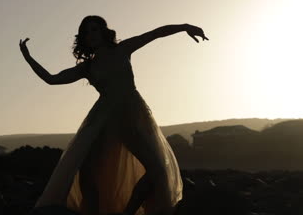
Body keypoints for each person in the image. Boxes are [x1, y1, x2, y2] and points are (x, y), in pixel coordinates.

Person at [19, 15, 208, 215]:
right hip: (101, 120)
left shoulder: (123, 49)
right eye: (86, 32)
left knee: (157, 170)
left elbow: (155, 34)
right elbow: (52, 79)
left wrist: (185, 26)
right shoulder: (88, 67)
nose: (91, 35)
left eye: (94, 29)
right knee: (88, 173)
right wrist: (28, 57)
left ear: (103, 31)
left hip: (132, 113)